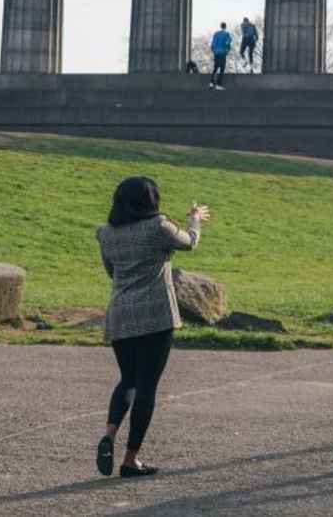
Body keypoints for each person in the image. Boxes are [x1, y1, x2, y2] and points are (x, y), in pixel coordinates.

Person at [95, 176, 209, 478]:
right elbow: (189, 242)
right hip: (156, 317)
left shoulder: (105, 233)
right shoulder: (158, 226)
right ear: (150, 200)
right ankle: (131, 459)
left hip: (119, 315)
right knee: (147, 387)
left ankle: (109, 433)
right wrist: (194, 219)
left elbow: (111, 271)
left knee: (128, 380)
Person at [209, 22, 233, 90]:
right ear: (225, 27)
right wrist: (227, 50)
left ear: (220, 26)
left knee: (216, 67)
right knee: (222, 68)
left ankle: (211, 83)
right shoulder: (226, 34)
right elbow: (228, 42)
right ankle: (218, 85)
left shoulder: (216, 34)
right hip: (222, 53)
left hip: (216, 53)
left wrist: (214, 51)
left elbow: (213, 43)